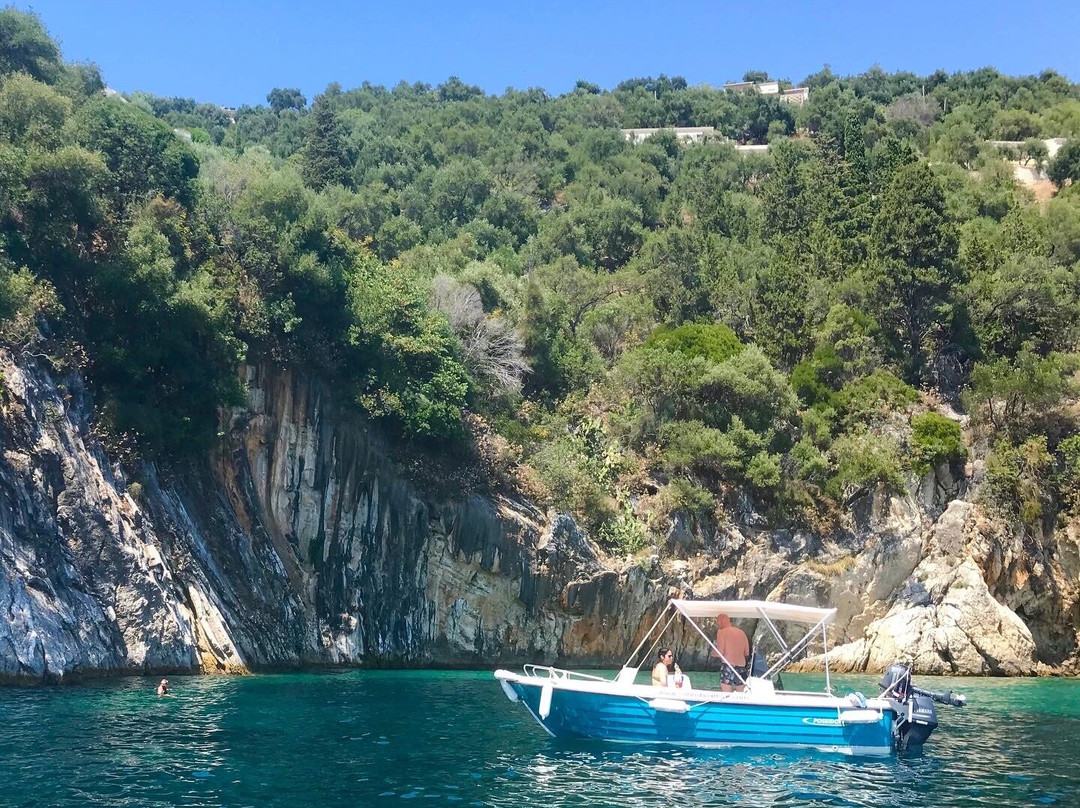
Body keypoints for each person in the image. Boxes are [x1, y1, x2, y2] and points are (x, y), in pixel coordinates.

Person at [711, 614, 749, 692]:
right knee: (741, 694)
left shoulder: (721, 632)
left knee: (727, 694)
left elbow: (720, 652)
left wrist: (713, 653)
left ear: (721, 621)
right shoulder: (741, 633)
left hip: (728, 666)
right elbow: (746, 652)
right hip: (741, 667)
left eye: (717, 621)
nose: (717, 624)